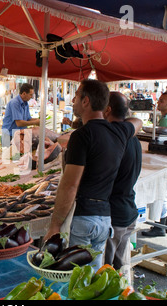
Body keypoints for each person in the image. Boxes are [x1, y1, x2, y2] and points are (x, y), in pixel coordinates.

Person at [43, 79, 142, 271]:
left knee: (76, 278)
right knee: (93, 278)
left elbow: (70, 185)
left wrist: (54, 226)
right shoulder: (120, 132)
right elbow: (136, 122)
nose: (73, 100)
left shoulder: (82, 136)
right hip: (105, 219)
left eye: (77, 96)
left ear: (86, 101)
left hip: (83, 218)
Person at [103, 92, 142, 279]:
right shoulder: (132, 137)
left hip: (115, 216)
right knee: (118, 271)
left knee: (105, 273)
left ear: (108, 109)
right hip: (127, 211)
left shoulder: (115, 139)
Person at [142, 91, 167, 237]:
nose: (159, 103)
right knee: (164, 193)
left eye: (162, 101)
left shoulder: (166, 121)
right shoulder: (166, 117)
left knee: (160, 193)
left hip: (163, 160)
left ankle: (159, 227)